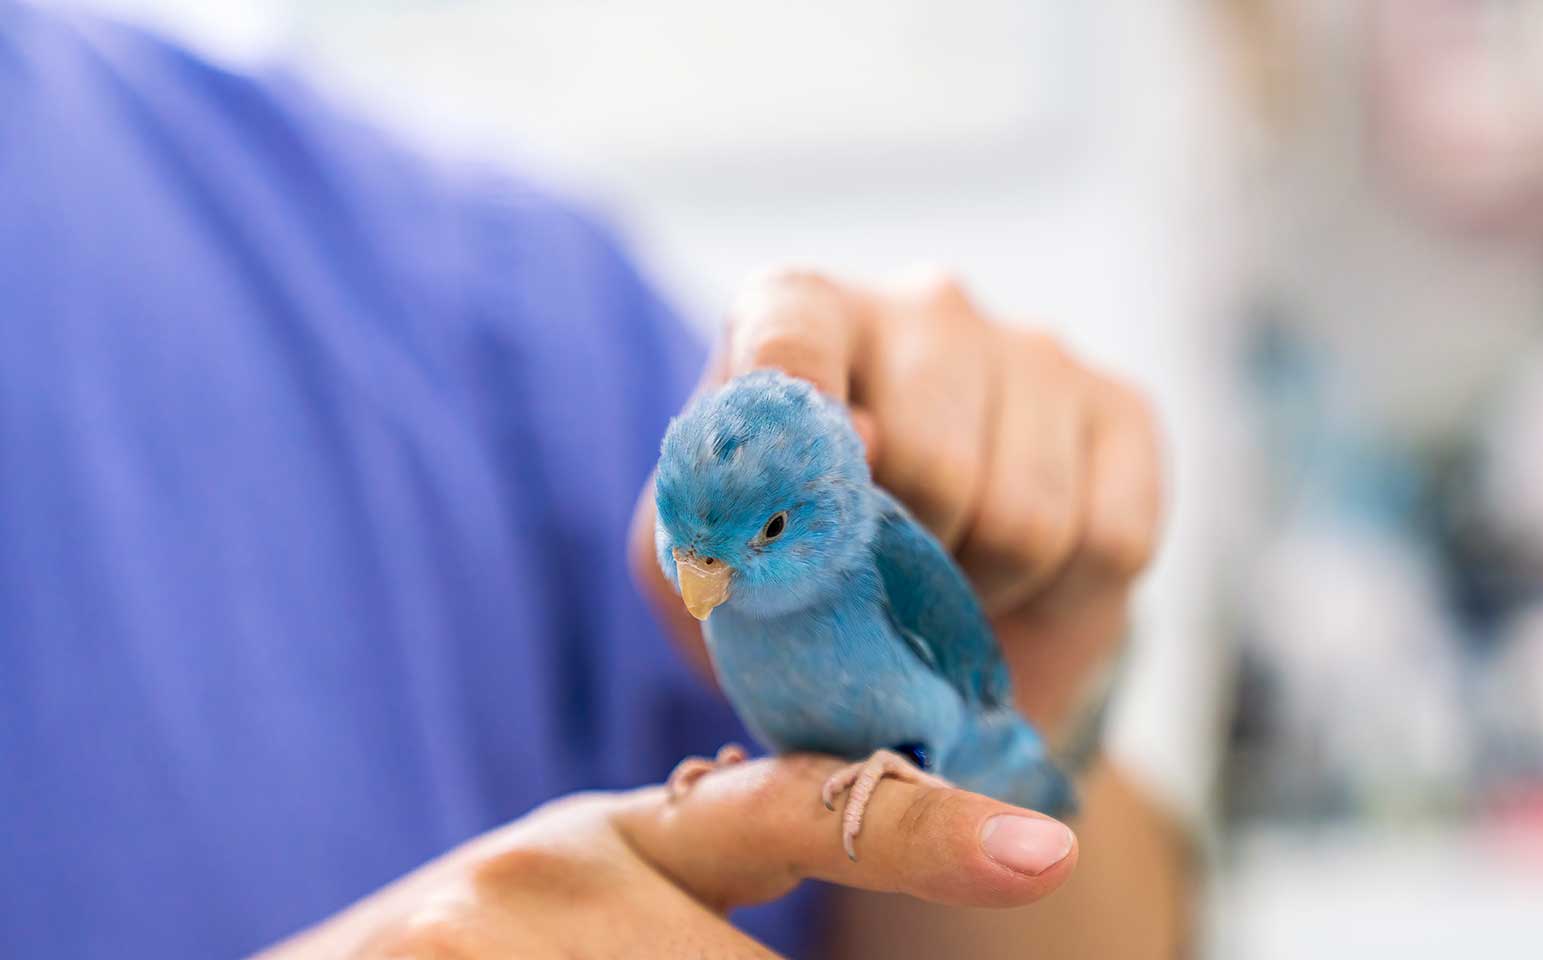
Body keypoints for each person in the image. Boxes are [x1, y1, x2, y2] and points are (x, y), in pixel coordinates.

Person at [0, 5, 1181, 957]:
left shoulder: (483, 297)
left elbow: (1096, 912)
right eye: (694, 548)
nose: (701, 580)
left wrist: (1049, 698)